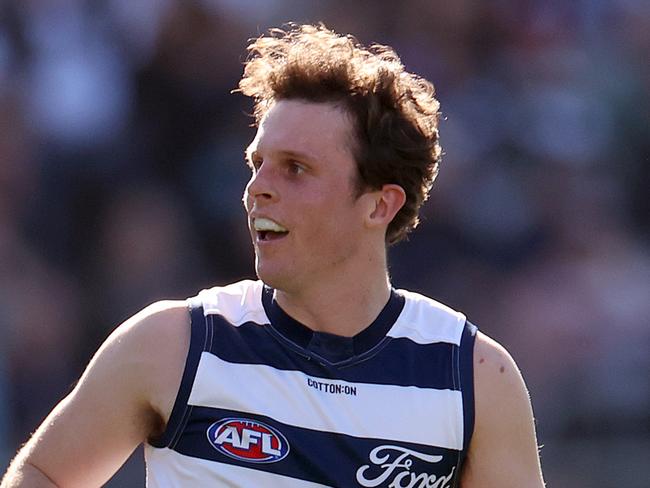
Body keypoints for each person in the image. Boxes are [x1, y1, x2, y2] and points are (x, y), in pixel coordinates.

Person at [1, 24, 545, 487]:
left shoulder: (473, 375)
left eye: (295, 169)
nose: (257, 188)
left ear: (380, 204)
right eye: (256, 162)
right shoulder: (173, 344)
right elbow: (42, 476)